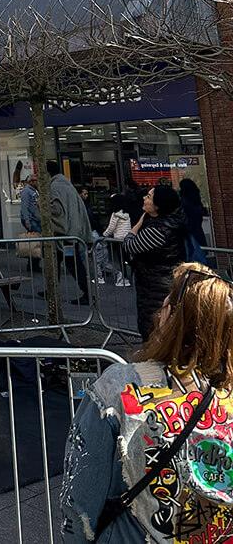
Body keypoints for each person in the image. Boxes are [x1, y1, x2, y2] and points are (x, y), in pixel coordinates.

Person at [61, 263, 233, 542]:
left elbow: (80, 498)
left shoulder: (120, 385)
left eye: (165, 304)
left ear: (170, 317)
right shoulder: (227, 395)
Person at [124, 184, 187, 341]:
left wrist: (135, 228)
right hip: (164, 281)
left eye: (149, 197)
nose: (144, 198)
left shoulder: (157, 230)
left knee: (154, 327)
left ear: (158, 206)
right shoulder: (172, 222)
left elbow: (129, 245)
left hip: (156, 285)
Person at [47, 160, 93, 306]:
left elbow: (57, 211)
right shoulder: (66, 184)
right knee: (55, 262)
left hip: (65, 235)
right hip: (72, 232)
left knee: (73, 264)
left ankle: (88, 293)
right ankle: (51, 289)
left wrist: (43, 206)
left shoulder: (55, 187)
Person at [102, 193, 132, 287]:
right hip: (127, 238)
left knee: (120, 260)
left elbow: (111, 227)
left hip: (118, 239)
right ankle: (129, 277)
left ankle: (123, 278)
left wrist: (103, 235)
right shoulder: (126, 214)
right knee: (128, 258)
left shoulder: (115, 215)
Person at [179, 177, 208, 265]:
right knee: (199, 256)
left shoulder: (184, 203)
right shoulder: (196, 201)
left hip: (188, 233)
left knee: (191, 256)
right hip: (197, 232)